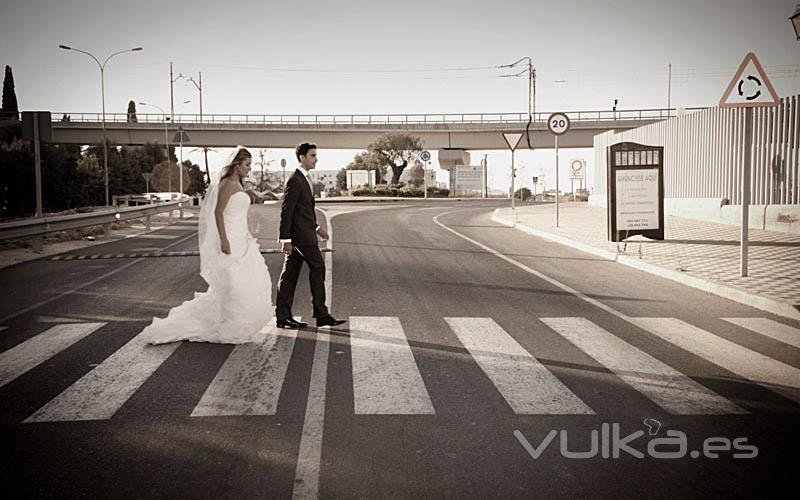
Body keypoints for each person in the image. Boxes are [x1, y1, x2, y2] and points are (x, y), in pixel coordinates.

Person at [142, 146, 273, 344]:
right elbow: (218, 212)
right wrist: (223, 239)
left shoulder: (238, 183)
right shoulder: (227, 184)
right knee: (233, 283)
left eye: (250, 165)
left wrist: (264, 194)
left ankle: (239, 323)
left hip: (242, 238)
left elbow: (241, 204)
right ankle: (231, 323)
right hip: (229, 238)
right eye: (247, 165)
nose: (249, 168)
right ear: (236, 165)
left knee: (246, 281)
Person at [275, 143, 345, 329]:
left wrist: (317, 227)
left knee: (289, 275)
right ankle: (321, 314)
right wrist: (285, 240)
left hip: (305, 234)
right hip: (300, 238)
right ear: (302, 158)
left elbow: (303, 211)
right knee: (318, 266)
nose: (316, 158)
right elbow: (287, 211)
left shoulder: (304, 178)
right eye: (313, 155)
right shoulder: (294, 179)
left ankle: (283, 316)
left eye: (316, 155)